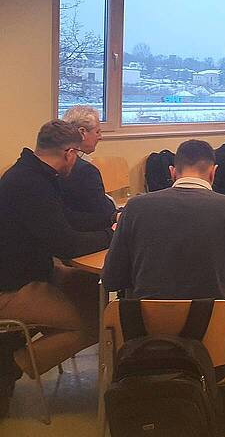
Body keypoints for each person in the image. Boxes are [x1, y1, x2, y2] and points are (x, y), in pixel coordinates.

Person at [0, 121, 112, 416]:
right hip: (12, 286)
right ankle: (12, 364)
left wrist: (111, 220)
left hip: (31, 272)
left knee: (94, 290)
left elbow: (65, 218)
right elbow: (67, 245)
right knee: (99, 321)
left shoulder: (33, 173)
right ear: (70, 153)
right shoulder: (29, 185)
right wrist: (112, 236)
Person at [103, 139, 225, 344]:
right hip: (211, 342)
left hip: (144, 339)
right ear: (213, 172)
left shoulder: (134, 208)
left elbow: (111, 279)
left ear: (172, 172)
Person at [60, 105, 117, 231]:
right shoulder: (84, 170)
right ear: (82, 133)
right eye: (97, 132)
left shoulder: (58, 160)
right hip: (89, 232)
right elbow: (103, 212)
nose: (100, 137)